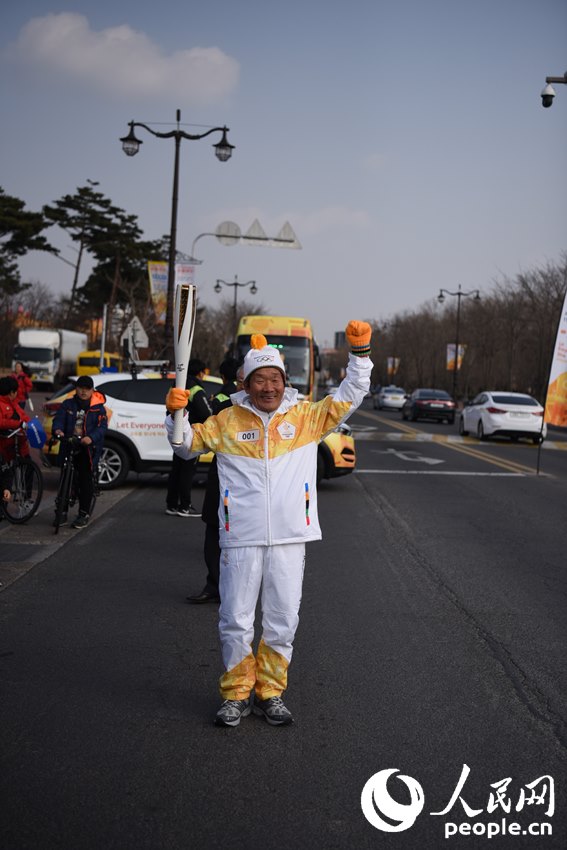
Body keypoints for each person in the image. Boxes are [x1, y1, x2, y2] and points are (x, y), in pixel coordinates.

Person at [165, 320, 372, 727]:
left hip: (291, 537)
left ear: (284, 380)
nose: (268, 388)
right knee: (236, 619)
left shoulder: (307, 418)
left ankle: (270, 691)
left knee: (282, 619)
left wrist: (359, 355)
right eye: (260, 380)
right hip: (240, 536)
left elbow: (351, 395)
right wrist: (174, 414)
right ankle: (236, 693)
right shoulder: (226, 422)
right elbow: (185, 447)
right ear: (246, 383)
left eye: (275, 379)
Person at [186, 358, 242, 604]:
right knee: (213, 530)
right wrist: (174, 415)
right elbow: (196, 438)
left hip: (245, 482)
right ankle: (215, 585)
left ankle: (235, 588)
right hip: (221, 475)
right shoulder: (222, 401)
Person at [52, 375, 108, 529]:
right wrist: (57, 430)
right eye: (80, 388)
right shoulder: (68, 404)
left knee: (85, 480)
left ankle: (83, 513)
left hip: (88, 449)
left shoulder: (98, 407)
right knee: (64, 478)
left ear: (92, 390)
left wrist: (90, 437)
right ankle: (61, 512)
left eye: (87, 389)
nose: (83, 391)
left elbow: (102, 428)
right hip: (69, 444)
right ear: (76, 389)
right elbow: (59, 420)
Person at [165, 359, 211, 518]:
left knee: (176, 470)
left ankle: (171, 504)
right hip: (191, 435)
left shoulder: (177, 385)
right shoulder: (196, 388)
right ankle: (184, 506)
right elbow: (206, 413)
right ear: (200, 372)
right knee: (187, 471)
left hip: (176, 432)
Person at [0, 376, 30, 465]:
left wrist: (31, 424)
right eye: (16, 391)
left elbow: (24, 417)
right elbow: (1, 422)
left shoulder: (14, 404)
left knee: (29, 468)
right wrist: (18, 424)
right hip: (5, 446)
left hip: (20, 445)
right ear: (11, 392)